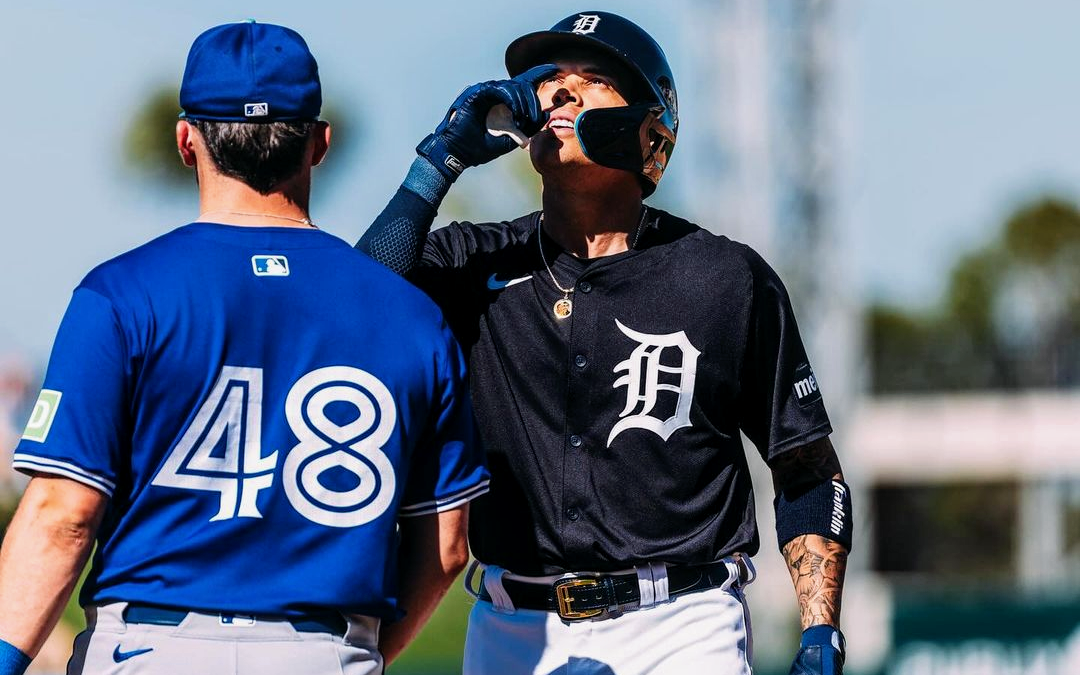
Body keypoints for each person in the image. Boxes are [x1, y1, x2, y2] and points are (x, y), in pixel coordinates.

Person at [357, 10, 852, 675]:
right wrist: (438, 161)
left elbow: (807, 469)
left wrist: (820, 630)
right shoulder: (472, 261)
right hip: (514, 627)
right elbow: (356, 306)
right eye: (549, 78)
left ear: (650, 129)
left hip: (681, 624)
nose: (560, 90)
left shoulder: (724, 278)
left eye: (593, 79)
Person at [0, 20, 487, 675]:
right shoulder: (411, 316)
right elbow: (447, 548)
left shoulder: (121, 294)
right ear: (319, 143)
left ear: (186, 140)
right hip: (324, 651)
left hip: (152, 648)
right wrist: (353, 652)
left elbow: (64, 516)